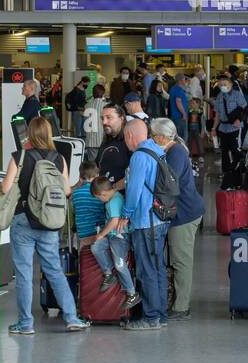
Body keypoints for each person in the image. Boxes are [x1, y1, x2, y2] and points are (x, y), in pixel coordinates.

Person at [0, 117, 89, 335]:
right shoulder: (59, 159)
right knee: (54, 270)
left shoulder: (18, 157)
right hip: (49, 221)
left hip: (23, 220)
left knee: (24, 273)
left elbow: (5, 188)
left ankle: (26, 323)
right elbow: (66, 191)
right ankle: (71, 317)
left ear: (29, 134)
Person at [120, 118, 174, 331]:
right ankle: (160, 315)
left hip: (145, 221)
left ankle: (151, 317)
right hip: (160, 219)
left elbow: (133, 191)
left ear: (130, 136)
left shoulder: (139, 156)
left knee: (146, 271)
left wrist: (126, 213)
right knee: (158, 267)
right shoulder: (157, 151)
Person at [158, 117, 203, 319]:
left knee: (181, 261)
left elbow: (169, 183)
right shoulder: (174, 150)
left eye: (152, 135)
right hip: (182, 212)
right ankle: (177, 302)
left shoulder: (175, 152)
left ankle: (181, 307)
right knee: (177, 259)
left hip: (185, 214)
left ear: (161, 137)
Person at [82, 175, 139, 310]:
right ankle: (108, 274)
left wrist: (101, 234)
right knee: (96, 247)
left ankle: (131, 293)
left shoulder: (114, 200)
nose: (100, 201)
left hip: (120, 237)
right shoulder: (110, 199)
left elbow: (114, 221)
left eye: (98, 198)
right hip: (111, 236)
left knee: (119, 264)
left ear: (103, 194)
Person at [213, 74, 248, 184]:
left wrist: (240, 120)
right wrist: (214, 127)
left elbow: (246, 109)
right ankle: (226, 173)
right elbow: (217, 114)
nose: (223, 86)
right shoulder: (219, 96)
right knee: (224, 152)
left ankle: (237, 172)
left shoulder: (237, 95)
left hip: (235, 127)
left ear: (231, 84)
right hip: (223, 128)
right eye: (221, 84)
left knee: (235, 150)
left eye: (225, 84)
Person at [169, 73, 191, 141]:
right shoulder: (178, 89)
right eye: (185, 79)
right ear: (181, 80)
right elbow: (178, 101)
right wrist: (184, 113)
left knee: (177, 136)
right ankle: (182, 150)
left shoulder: (173, 88)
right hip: (179, 117)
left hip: (175, 116)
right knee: (182, 137)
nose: (186, 81)